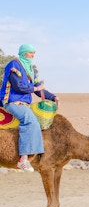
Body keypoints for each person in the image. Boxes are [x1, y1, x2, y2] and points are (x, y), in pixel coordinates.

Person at [0, 44, 60, 172]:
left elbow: (39, 88)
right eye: (30, 53)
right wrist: (35, 88)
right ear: (23, 53)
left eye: (34, 53)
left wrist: (52, 97)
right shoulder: (14, 65)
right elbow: (18, 86)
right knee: (30, 121)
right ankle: (23, 159)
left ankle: (38, 155)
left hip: (24, 103)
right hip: (12, 101)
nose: (32, 55)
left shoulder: (30, 69)